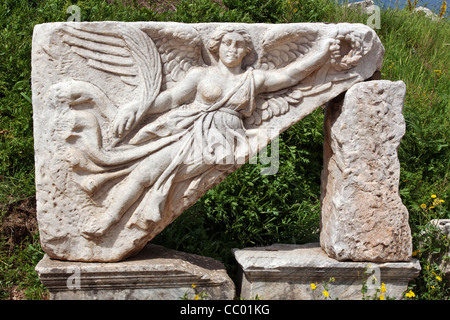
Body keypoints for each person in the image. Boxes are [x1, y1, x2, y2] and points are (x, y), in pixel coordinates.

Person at [81, 25, 337, 238]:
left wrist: (323, 53)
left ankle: (125, 220)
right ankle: (107, 221)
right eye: (227, 43)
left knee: (160, 175)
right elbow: (171, 99)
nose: (232, 49)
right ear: (217, 46)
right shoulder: (200, 74)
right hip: (189, 129)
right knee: (145, 171)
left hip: (222, 141)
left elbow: (291, 75)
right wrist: (140, 106)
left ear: (247, 51)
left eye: (238, 45)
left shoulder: (252, 79)